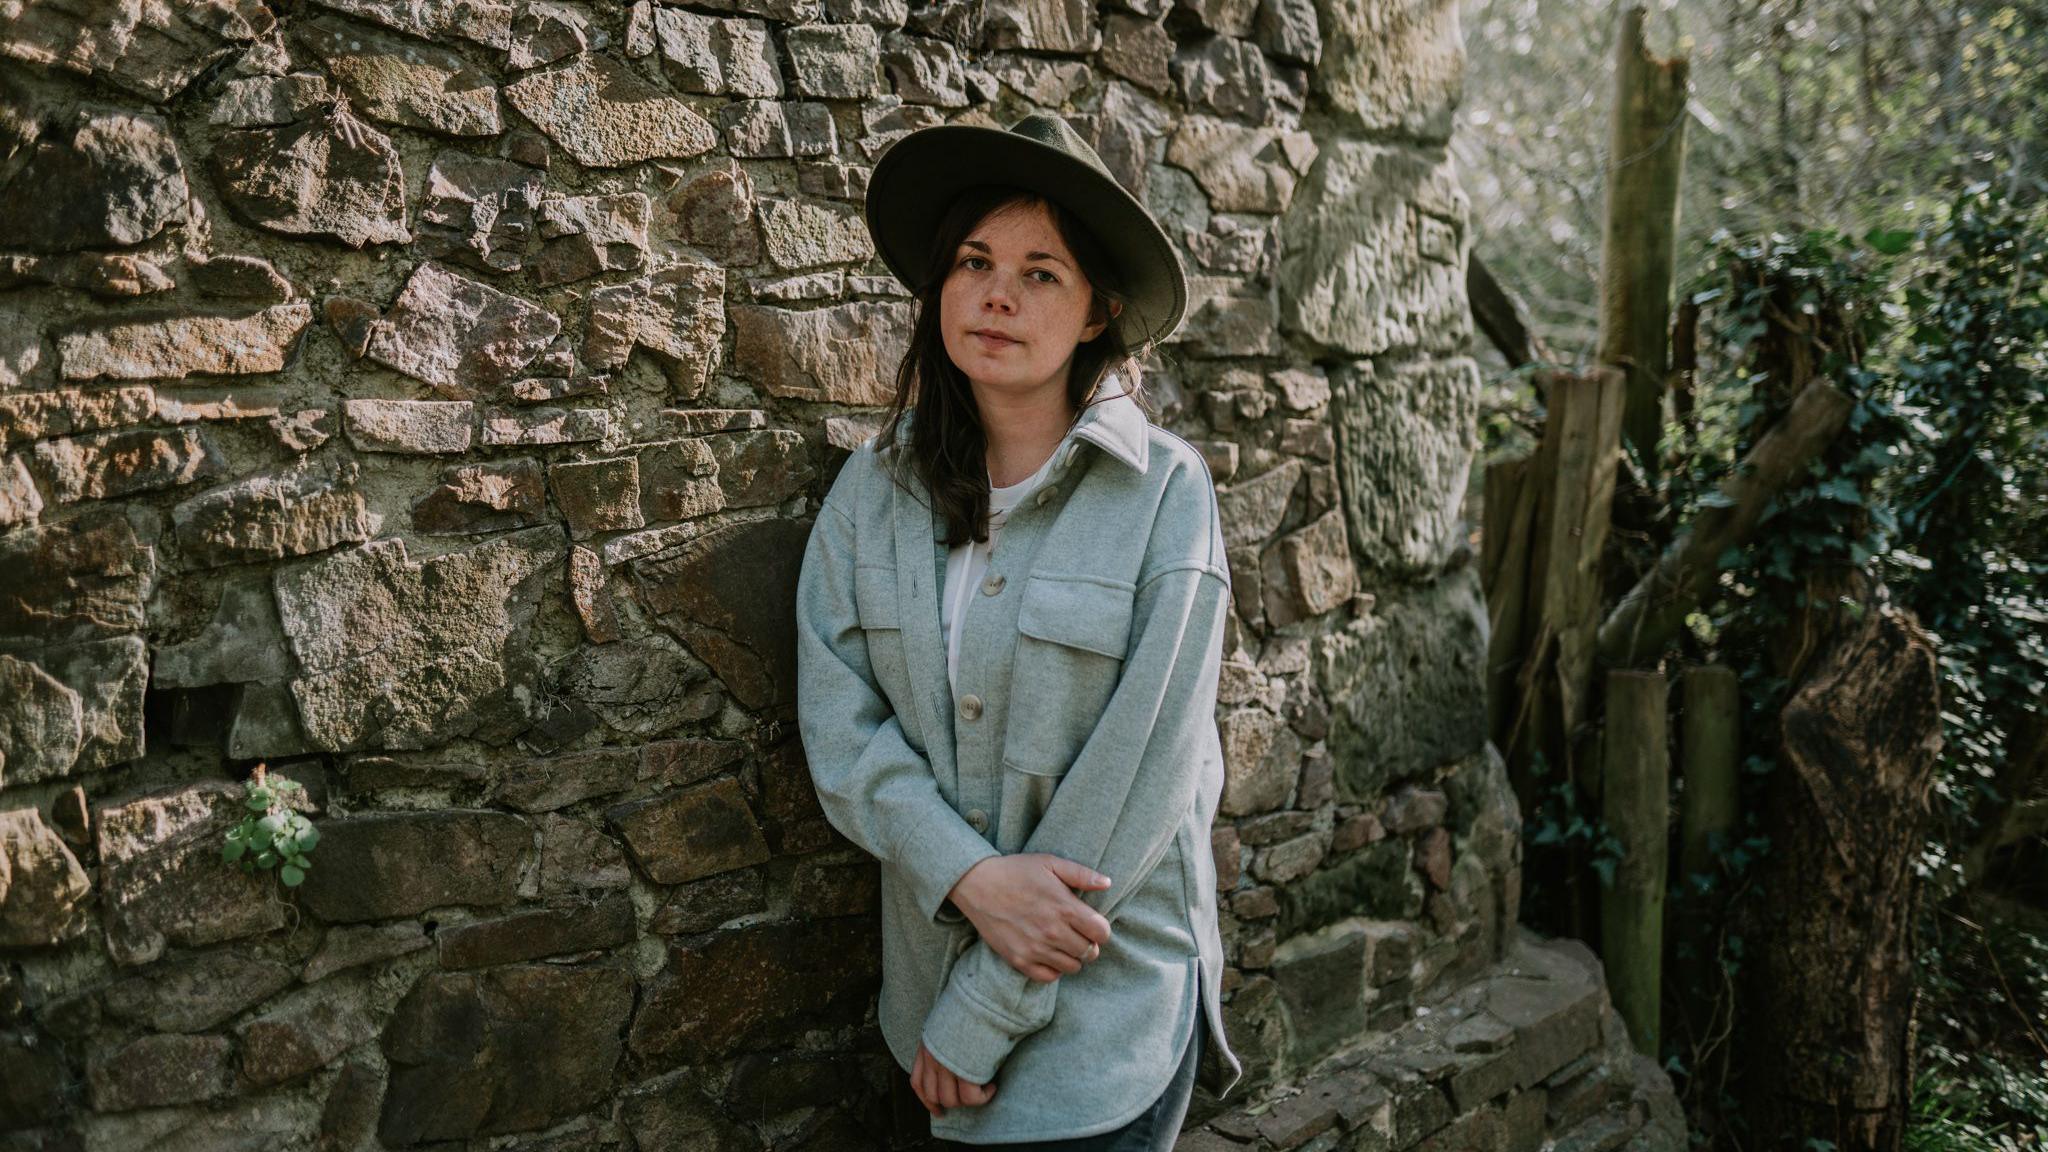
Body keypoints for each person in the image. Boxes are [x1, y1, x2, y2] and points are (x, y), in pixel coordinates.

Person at [794, 113, 1244, 1149]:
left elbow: (1138, 780)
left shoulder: (1165, 494)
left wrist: (985, 1011)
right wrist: (964, 874)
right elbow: (840, 721)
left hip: (1102, 1014)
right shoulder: (872, 491)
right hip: (926, 1003)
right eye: (973, 261)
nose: (996, 294)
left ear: (1097, 314)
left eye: (1041, 273)